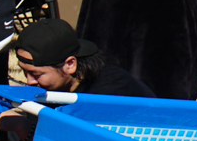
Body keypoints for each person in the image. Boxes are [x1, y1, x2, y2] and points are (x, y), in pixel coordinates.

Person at [12, 18, 155, 98]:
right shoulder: (56, 88)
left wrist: (22, 128)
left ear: (70, 65)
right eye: (25, 72)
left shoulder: (109, 94)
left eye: (37, 74)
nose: (29, 81)